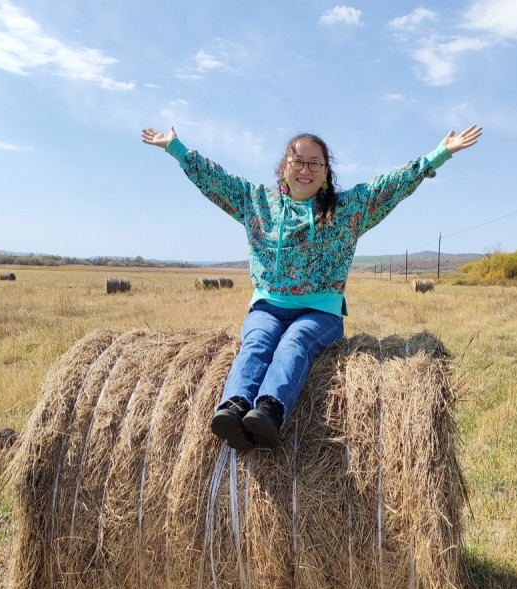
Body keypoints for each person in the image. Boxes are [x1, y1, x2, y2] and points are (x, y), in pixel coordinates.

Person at [141, 123, 481, 451]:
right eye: (298, 161)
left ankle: (270, 410)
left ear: (325, 172)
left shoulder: (347, 210)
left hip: (320, 313)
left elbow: (390, 186)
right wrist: (175, 147)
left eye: (314, 163)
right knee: (257, 341)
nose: (305, 169)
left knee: (296, 341)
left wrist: (439, 154)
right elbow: (216, 180)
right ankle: (233, 407)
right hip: (267, 306)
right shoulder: (256, 202)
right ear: (284, 167)